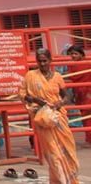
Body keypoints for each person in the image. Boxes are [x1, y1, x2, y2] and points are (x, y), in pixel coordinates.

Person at [21, 48, 80, 184]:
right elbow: (24, 95)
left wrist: (60, 103)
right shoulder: (30, 76)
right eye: (39, 61)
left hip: (58, 117)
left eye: (45, 61)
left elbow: (66, 96)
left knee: (68, 149)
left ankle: (71, 179)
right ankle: (60, 180)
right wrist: (36, 101)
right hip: (43, 119)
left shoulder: (57, 77)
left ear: (50, 61)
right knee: (53, 153)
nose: (42, 64)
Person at [65, 45, 91, 144]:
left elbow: (74, 77)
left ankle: (89, 138)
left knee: (87, 114)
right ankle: (89, 138)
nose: (73, 56)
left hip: (88, 92)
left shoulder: (87, 63)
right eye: (71, 54)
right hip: (79, 93)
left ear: (81, 54)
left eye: (75, 54)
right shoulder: (71, 65)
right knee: (85, 115)